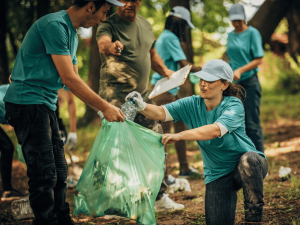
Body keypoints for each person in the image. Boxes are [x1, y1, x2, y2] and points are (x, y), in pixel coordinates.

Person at [3, 0, 125, 224]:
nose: (104, 19)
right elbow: (69, 78)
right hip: (28, 103)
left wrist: (102, 109)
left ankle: (62, 219)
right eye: (104, 12)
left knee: (59, 171)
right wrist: (104, 106)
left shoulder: (73, 34)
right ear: (90, 6)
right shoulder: (55, 26)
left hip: (45, 105)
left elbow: (73, 81)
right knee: (43, 174)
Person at [126, 59, 269, 225]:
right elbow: (160, 112)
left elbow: (215, 130)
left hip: (247, 167)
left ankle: (253, 219)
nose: (203, 84)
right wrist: (140, 105)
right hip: (218, 174)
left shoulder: (234, 105)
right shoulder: (192, 103)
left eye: (209, 80)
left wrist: (180, 135)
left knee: (248, 160)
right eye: (201, 79)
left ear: (224, 84)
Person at [96, 0, 184, 211]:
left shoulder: (146, 25)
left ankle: (159, 197)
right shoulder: (108, 24)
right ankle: (113, 203)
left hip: (142, 98)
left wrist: (166, 72)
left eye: (134, 0)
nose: (130, 4)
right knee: (118, 150)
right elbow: (102, 44)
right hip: (115, 99)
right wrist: (112, 46)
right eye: (125, 0)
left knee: (157, 141)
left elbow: (152, 54)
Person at [150, 6, 202, 179]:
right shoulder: (170, 37)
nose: (185, 30)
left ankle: (184, 169)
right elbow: (183, 64)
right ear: (178, 23)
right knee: (164, 133)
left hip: (171, 88)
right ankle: (163, 177)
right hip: (164, 90)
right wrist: (205, 70)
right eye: (185, 25)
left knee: (180, 126)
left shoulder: (166, 37)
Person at [227, 3, 265, 153]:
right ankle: (245, 160)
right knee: (237, 124)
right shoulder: (230, 35)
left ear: (244, 18)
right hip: (234, 85)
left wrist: (240, 70)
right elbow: (230, 58)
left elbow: (259, 59)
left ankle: (260, 160)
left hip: (249, 82)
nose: (236, 23)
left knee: (251, 124)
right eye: (233, 20)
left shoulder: (252, 33)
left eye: (239, 20)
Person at [0, 83, 28, 201]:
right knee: (7, 147)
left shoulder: (13, 88)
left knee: (7, 148)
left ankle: (7, 190)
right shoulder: (23, 98)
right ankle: (7, 191)